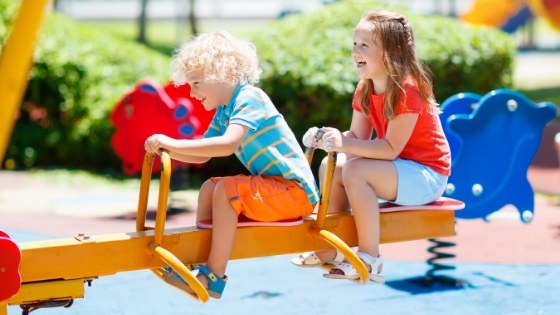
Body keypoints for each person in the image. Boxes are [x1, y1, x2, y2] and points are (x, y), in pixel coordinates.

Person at [144, 30, 320, 298]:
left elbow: (226, 144)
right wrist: (166, 147)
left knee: (227, 191)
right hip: (278, 188)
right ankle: (197, 263)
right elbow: (203, 155)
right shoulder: (225, 110)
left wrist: (172, 143)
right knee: (208, 189)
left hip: (296, 193)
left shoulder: (250, 98)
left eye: (196, 83)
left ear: (221, 73)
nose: (191, 93)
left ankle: (212, 277)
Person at [291, 10, 451, 283]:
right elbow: (356, 136)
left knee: (356, 171)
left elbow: (390, 149)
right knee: (335, 164)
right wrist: (328, 137)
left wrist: (344, 142)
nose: (356, 51)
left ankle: (370, 258)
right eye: (355, 43)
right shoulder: (365, 87)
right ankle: (333, 248)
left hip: (427, 174)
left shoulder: (407, 90)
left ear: (391, 52)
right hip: (397, 169)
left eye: (365, 45)